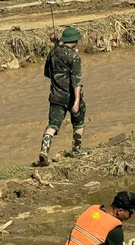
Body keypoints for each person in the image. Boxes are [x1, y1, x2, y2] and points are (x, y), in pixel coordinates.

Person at [39, 27, 86, 166]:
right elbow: (76, 81)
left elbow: (47, 73)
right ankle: (76, 150)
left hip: (56, 95)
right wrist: (77, 101)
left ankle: (44, 150)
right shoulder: (74, 57)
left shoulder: (52, 54)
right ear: (75, 40)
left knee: (53, 124)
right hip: (71, 95)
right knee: (78, 122)